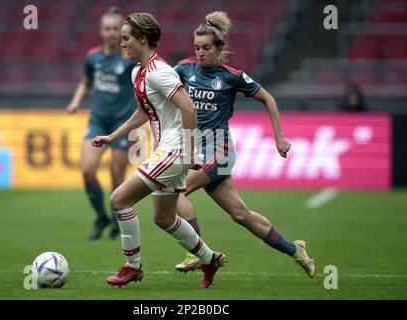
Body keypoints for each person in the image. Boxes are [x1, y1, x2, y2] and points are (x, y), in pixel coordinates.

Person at [172, 11, 316, 278]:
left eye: (206, 48)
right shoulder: (183, 69)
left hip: (219, 150)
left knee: (175, 191)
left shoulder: (232, 76)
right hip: (198, 151)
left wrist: (279, 136)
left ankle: (196, 252)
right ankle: (296, 250)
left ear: (220, 49)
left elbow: (268, 99)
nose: (200, 53)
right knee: (241, 214)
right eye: (197, 47)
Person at [92, 12, 225, 288]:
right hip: (167, 149)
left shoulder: (160, 72)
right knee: (164, 218)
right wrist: (112, 136)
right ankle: (210, 258)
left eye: (127, 37)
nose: (122, 42)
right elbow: (143, 113)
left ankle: (133, 267)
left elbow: (188, 107)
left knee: (118, 200)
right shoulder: (138, 72)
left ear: (143, 39)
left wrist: (190, 152)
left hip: (175, 150)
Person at [67, 7, 136, 240]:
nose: (111, 33)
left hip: (122, 124)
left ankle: (117, 223)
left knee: (117, 178)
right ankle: (100, 217)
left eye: (116, 29)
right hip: (97, 121)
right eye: (107, 28)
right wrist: (75, 102)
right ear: (100, 30)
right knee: (87, 171)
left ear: (122, 31)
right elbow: (86, 82)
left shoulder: (129, 59)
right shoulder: (93, 57)